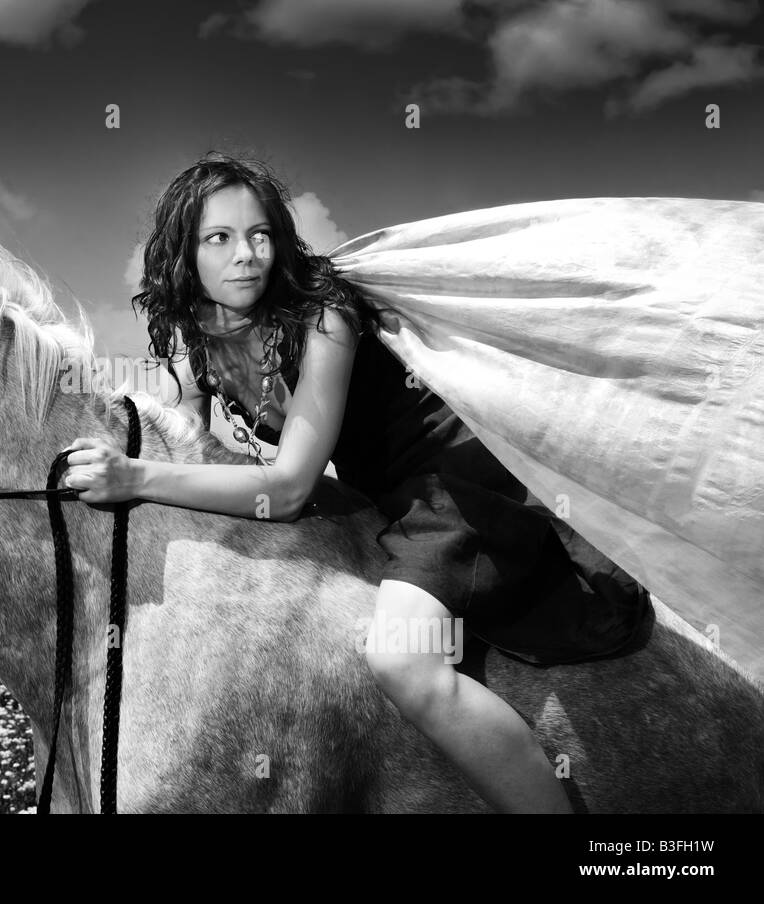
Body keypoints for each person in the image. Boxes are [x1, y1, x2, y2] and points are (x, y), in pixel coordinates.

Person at [60, 153, 652, 813]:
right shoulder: (203, 337)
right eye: (219, 238)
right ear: (184, 255)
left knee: (404, 663)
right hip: (377, 498)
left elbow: (285, 487)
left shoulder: (324, 315)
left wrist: (134, 475)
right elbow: (204, 454)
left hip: (452, 488)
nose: (247, 254)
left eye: (260, 234)